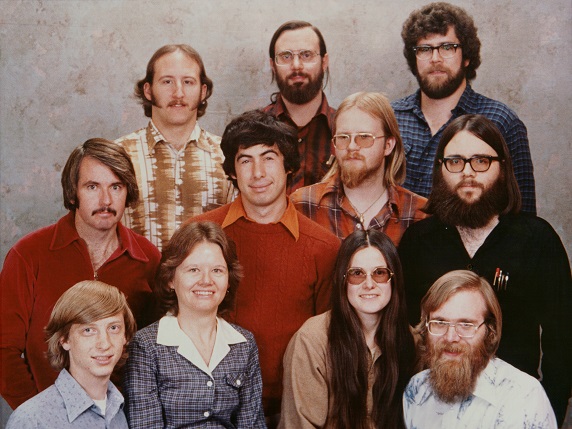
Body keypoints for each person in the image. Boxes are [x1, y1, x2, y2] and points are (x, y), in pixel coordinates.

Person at [398, 115, 571, 425]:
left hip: (515, 412)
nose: (467, 172)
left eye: (481, 161)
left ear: (502, 168)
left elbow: (563, 340)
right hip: (433, 410)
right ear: (440, 169)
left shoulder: (537, 240)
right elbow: (402, 335)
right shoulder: (417, 242)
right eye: (455, 161)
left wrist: (547, 412)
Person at [189, 110, 340, 424]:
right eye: (245, 160)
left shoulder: (324, 248)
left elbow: (330, 344)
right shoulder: (197, 236)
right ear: (232, 171)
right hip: (212, 409)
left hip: (293, 411)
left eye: (269, 158)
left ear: (288, 167)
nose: (257, 173)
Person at [0, 138, 160, 409]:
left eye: (116, 187)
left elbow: (153, 354)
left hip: (122, 417)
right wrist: (40, 414)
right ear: (73, 193)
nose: (106, 200)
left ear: (128, 192)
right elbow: (4, 350)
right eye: (92, 187)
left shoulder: (148, 259)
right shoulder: (28, 255)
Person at [392, 2, 536, 214]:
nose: (435, 58)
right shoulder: (391, 118)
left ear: (467, 56)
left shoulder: (501, 121)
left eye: (447, 47)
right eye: (424, 49)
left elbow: (523, 215)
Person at [124, 221, 266, 428]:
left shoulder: (244, 344)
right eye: (193, 270)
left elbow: (252, 424)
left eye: (217, 270)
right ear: (170, 279)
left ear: (228, 280)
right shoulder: (146, 346)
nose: (206, 280)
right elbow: (145, 424)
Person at [279, 229, 415, 429]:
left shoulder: (410, 340)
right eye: (357, 274)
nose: (369, 284)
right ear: (343, 280)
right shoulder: (312, 340)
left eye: (379, 273)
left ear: (393, 279)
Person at [115, 44, 235, 250]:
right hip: (135, 273)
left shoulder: (228, 155)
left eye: (188, 82)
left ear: (203, 91)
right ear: (148, 90)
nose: (178, 93)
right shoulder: (118, 155)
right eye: (167, 81)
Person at [403, 270, 557, 428]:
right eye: (440, 322)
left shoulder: (524, 397)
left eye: (466, 324)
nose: (450, 337)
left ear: (490, 331)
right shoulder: (417, 389)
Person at [291, 92, 427, 245]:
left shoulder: (419, 214)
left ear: (388, 145)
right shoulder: (302, 205)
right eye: (343, 137)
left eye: (364, 137)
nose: (351, 146)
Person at [6, 280, 137, 429]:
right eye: (88, 330)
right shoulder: (32, 420)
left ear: (125, 336)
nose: (105, 344)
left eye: (113, 328)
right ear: (64, 339)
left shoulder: (123, 411)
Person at [263, 20, 336, 194]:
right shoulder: (253, 129)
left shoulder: (345, 131)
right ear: (273, 65)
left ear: (324, 62)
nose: (296, 65)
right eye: (286, 56)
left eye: (306, 55)